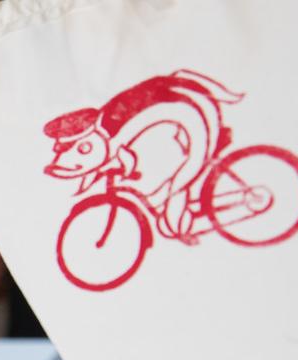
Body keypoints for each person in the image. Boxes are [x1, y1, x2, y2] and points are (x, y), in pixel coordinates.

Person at [43, 69, 243, 242]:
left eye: (83, 149)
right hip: (183, 104)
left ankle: (184, 227)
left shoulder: (111, 137)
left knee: (176, 189)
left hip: (197, 115)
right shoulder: (105, 134)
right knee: (167, 201)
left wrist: (125, 172)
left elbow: (127, 162)